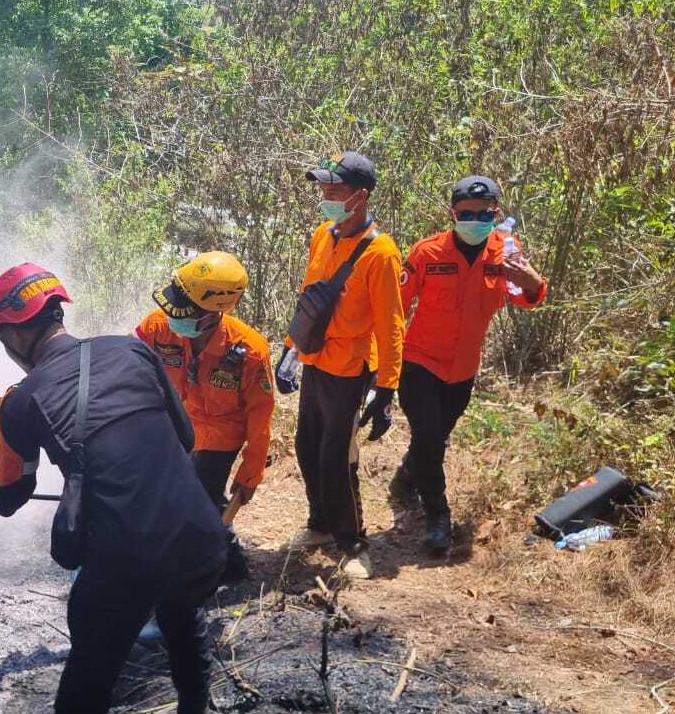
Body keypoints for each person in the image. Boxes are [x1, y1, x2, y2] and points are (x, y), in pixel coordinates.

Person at [0, 263, 227, 714]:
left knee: (88, 680)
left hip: (125, 562)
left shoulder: (18, 401)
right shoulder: (132, 350)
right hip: (200, 538)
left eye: (1, 339)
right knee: (182, 614)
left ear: (13, 333)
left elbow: (12, 497)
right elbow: (186, 438)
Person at [392, 175, 547, 552]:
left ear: (496, 213)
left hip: (462, 370)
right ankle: (438, 516)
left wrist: (531, 280)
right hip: (419, 363)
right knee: (430, 438)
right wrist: (382, 363)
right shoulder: (427, 252)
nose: (475, 220)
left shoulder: (505, 251)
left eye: (484, 214)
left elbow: (526, 298)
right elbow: (396, 306)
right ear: (453, 214)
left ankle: (406, 476)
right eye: (466, 214)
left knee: (434, 437)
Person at [275, 151, 405, 579]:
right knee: (307, 447)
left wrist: (386, 387)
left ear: (360, 196)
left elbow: (390, 324)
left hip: (349, 370)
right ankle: (320, 524)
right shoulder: (322, 235)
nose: (326, 196)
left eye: (335, 189)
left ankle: (353, 543)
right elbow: (309, 298)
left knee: (337, 459)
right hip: (315, 360)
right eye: (323, 188)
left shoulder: (381, 253)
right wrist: (290, 350)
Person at [135, 251, 276, 583]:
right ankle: (201, 559)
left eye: (183, 309)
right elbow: (126, 361)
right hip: (173, 428)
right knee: (167, 495)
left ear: (212, 315)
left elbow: (260, 419)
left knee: (202, 500)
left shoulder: (250, 352)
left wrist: (251, 473)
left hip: (219, 437)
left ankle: (225, 567)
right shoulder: (158, 327)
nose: (172, 316)